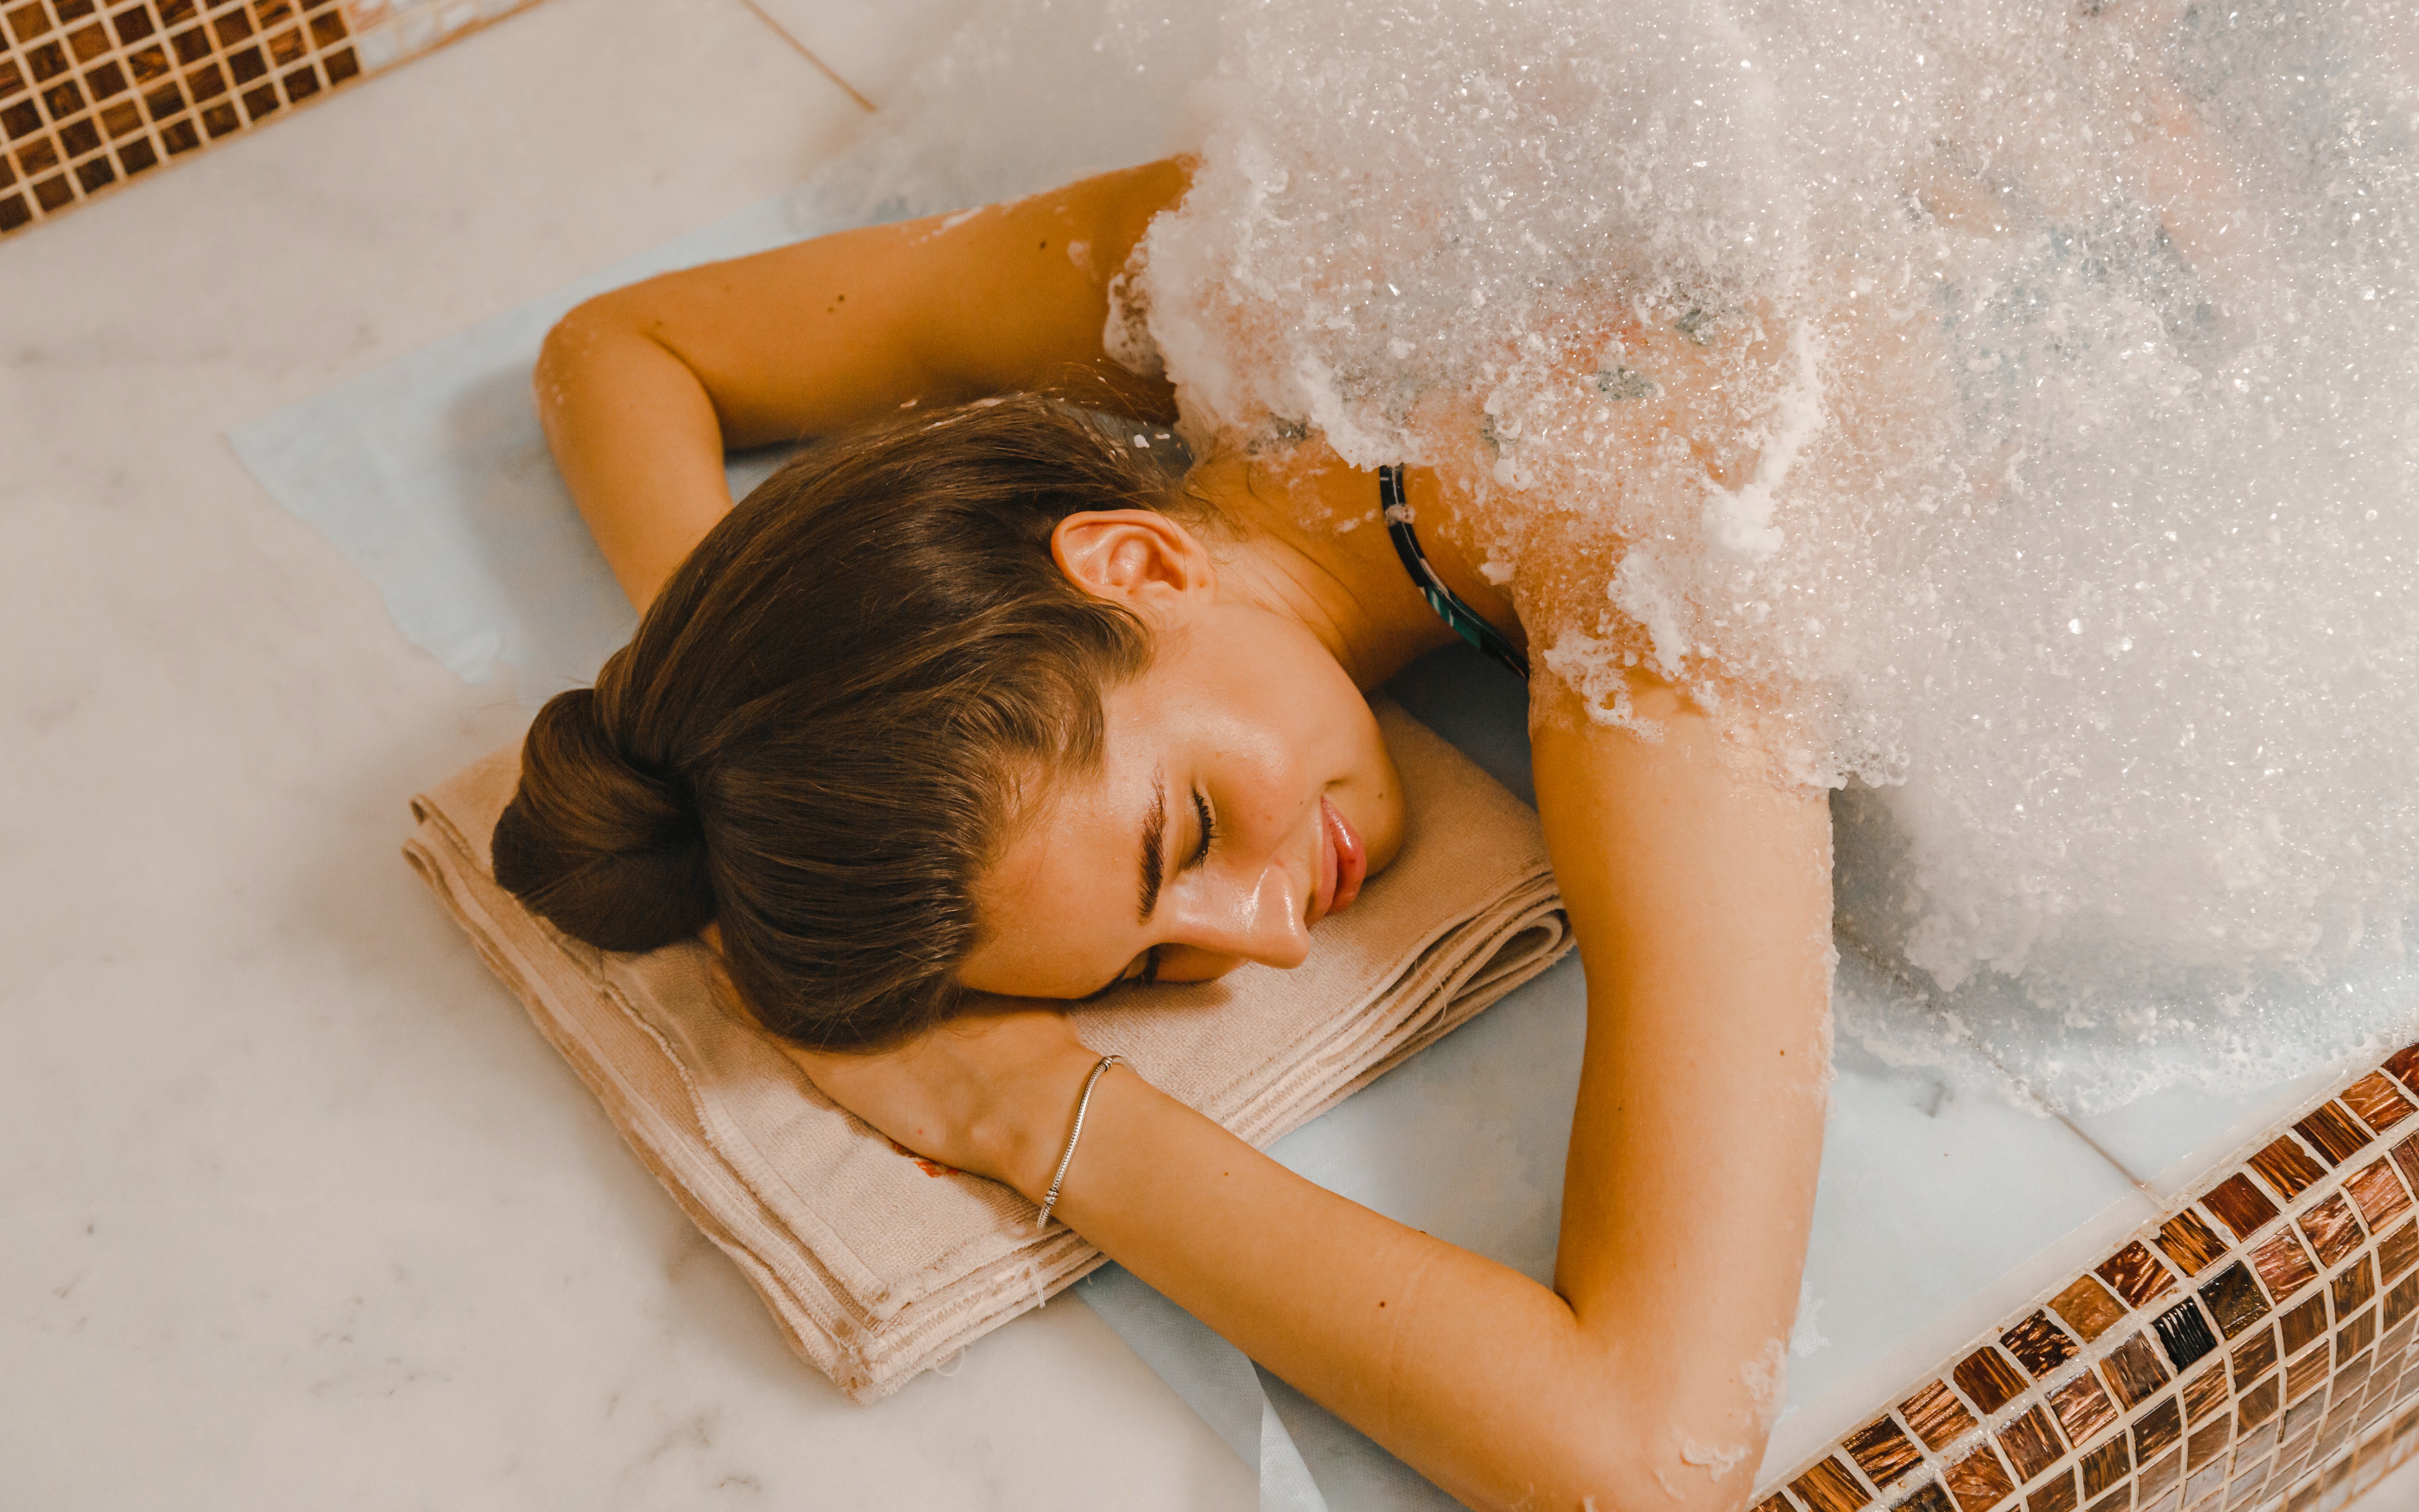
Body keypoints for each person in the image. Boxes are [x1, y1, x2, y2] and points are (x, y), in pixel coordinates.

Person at [497, 153, 1838, 1512]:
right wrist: (783, 728)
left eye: (1185, 836)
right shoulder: (1236, 272)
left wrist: (1028, 1114)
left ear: (1135, 565)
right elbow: (618, 346)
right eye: (1148, 967)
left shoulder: (1649, 566)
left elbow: (1649, 1454)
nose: (1262, 936)